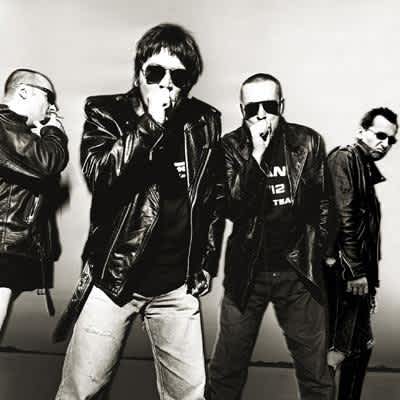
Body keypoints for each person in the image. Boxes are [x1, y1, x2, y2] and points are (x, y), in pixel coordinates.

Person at [53, 23, 224, 400]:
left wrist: (206, 262)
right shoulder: (106, 113)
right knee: (80, 392)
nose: (166, 84)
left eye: (178, 76)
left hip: (175, 285)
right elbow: (101, 177)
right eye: (155, 72)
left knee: (190, 396)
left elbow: (212, 197)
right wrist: (150, 125)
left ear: (188, 84)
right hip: (115, 278)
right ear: (138, 75)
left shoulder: (204, 120)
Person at [207, 73, 333, 399]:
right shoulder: (230, 148)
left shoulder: (308, 142)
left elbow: (323, 202)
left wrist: (321, 253)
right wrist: (257, 156)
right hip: (247, 272)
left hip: (297, 272)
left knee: (315, 373)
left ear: (282, 105)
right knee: (226, 371)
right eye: (253, 108)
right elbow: (232, 207)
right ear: (242, 110)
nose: (261, 115)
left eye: (269, 106)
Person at [325, 107, 397, 399]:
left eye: (391, 140)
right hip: (342, 275)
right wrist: (355, 271)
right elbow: (344, 218)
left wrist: (370, 282)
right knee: (338, 349)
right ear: (361, 131)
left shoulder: (365, 168)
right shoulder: (344, 159)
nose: (385, 143)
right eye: (380, 135)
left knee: (360, 346)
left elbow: (367, 234)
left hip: (357, 276)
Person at [0, 68, 68, 338]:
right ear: (24, 92)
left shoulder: (14, 132)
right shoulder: (4, 125)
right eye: (48, 97)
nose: (53, 107)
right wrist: (54, 131)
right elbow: (48, 162)